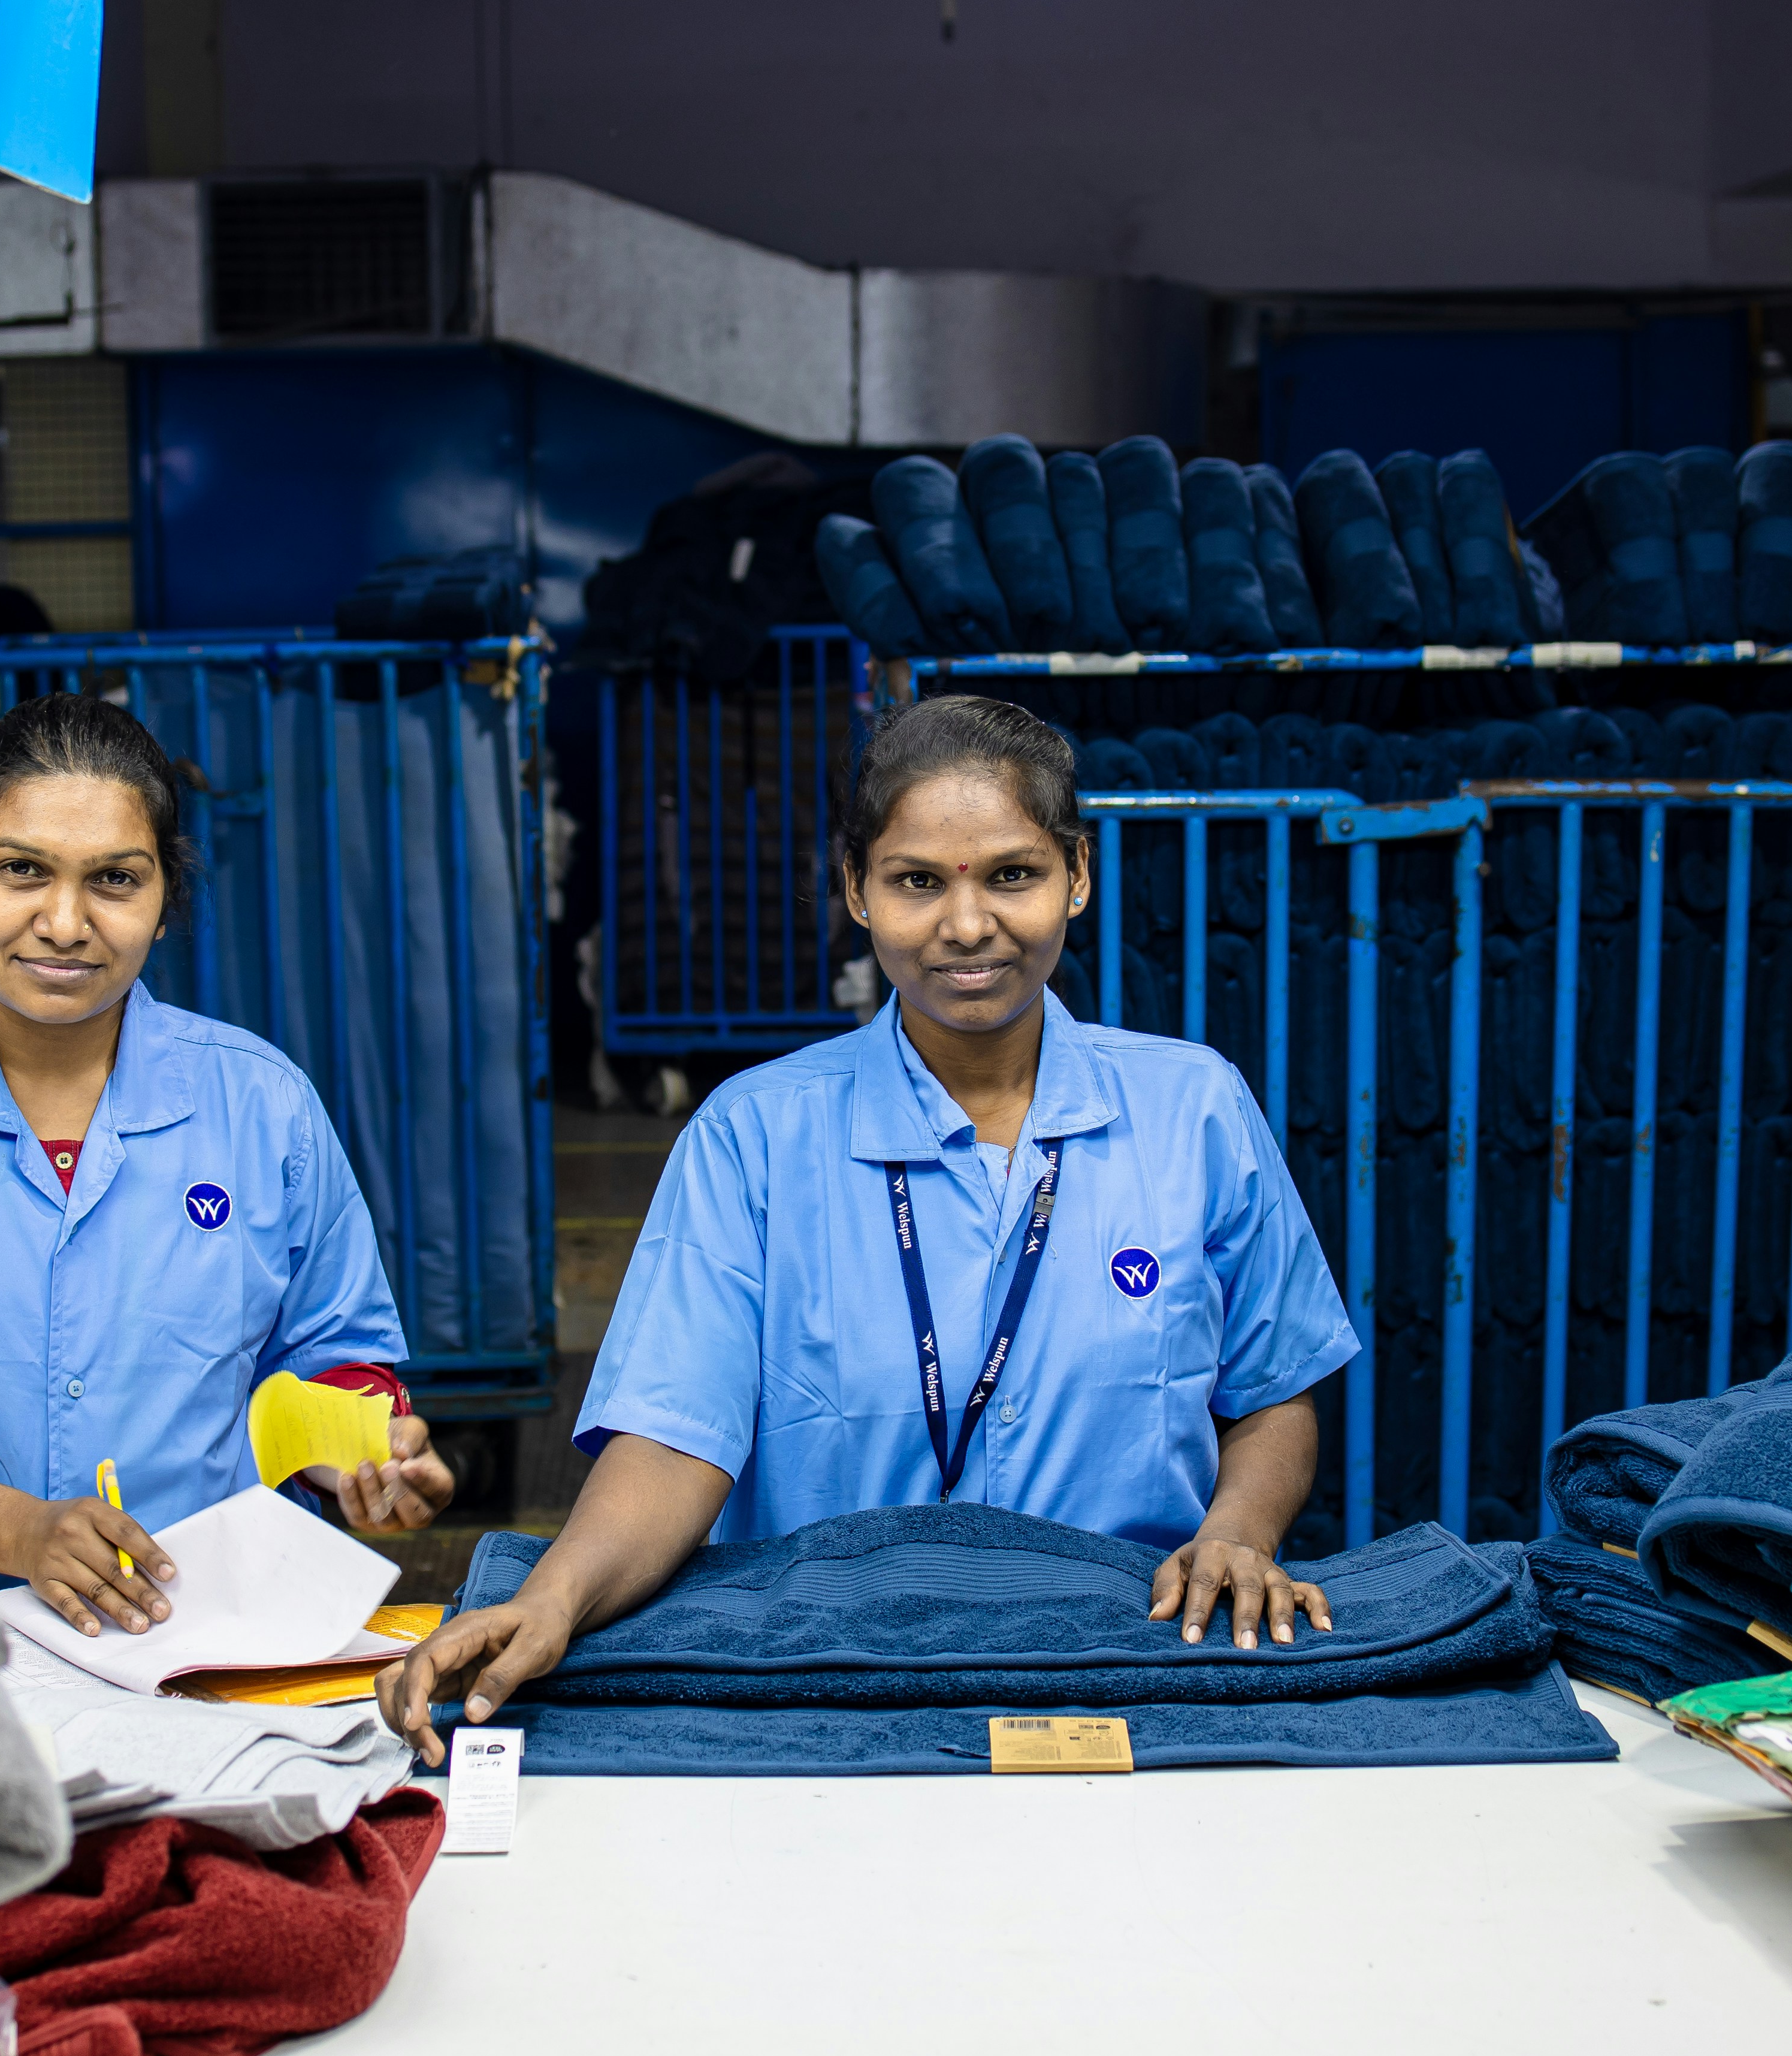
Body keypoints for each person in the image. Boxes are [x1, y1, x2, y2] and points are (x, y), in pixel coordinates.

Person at [384, 694, 1358, 1760]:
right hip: (830, 1682)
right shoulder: (754, 1137)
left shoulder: (1195, 1109)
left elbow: (1275, 1398)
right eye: (917, 881)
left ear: (1077, 875)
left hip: (1128, 1666)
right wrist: (557, 1598)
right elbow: (674, 1437)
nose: (968, 924)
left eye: (1012, 874)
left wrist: (1236, 1536)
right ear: (856, 889)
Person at [0, 691, 453, 1635]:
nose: (64, 922)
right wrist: (13, 1532)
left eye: (115, 880)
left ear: (165, 904)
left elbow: (330, 1360)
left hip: (210, 1632)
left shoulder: (262, 1105)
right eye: (21, 870)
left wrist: (367, 1453)